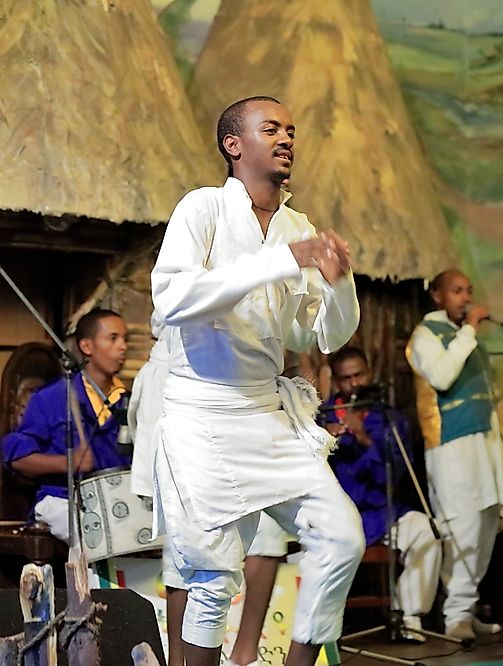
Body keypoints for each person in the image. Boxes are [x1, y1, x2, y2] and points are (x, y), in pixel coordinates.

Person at [150, 95, 365, 666]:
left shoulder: (298, 225)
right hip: (201, 413)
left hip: (266, 414)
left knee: (341, 536)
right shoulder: (202, 210)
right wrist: (283, 259)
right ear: (233, 144)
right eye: (271, 128)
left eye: (291, 130)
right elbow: (173, 298)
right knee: (213, 579)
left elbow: (317, 337)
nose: (287, 138)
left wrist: (339, 284)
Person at [128, 321, 292, 666]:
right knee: (188, 537)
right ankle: (178, 661)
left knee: (268, 528)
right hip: (185, 372)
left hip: (247, 383)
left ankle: (244, 656)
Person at [406, 269, 503, 641]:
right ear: (437, 296)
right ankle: (455, 616)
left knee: (485, 525)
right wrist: (469, 333)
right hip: (451, 447)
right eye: (457, 291)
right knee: (461, 527)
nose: (465, 298)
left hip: (484, 444)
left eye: (469, 290)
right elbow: (443, 376)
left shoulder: (466, 337)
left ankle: (466, 605)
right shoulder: (425, 335)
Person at [324, 346, 442, 644]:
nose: (354, 384)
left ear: (369, 373)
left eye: (359, 375)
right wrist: (323, 439)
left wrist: (363, 436)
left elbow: (395, 473)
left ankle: (408, 615)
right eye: (346, 378)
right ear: (336, 382)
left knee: (426, 531)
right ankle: (322, 628)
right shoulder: (319, 417)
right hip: (336, 516)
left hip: (381, 512)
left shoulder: (389, 416)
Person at [3, 308, 130, 542]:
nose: (122, 347)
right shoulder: (52, 397)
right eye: (113, 338)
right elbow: (16, 458)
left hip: (116, 504)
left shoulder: (129, 402)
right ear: (86, 347)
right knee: (99, 535)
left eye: (125, 339)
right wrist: (68, 462)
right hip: (61, 501)